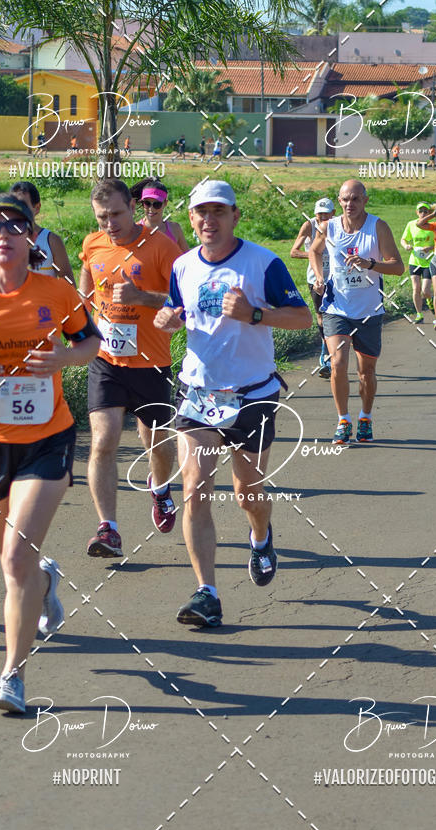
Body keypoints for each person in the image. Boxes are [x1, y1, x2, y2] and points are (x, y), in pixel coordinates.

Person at [0, 194, 100, 712]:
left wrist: (63, 357)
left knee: (13, 558)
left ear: (30, 238)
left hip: (47, 439)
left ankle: (13, 676)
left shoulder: (55, 291)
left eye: (16, 226)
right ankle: (46, 578)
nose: (4, 234)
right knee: (17, 565)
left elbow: (91, 343)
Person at [153, 180, 311, 627]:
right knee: (195, 487)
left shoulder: (263, 264)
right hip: (198, 394)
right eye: (201, 212)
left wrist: (255, 314)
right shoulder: (183, 265)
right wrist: (167, 319)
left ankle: (261, 537)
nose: (209, 220)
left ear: (235, 216)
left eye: (219, 212)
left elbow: (303, 318)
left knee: (248, 494)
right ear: (191, 219)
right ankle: (207, 593)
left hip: (252, 396)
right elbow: (175, 311)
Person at [79, 178, 182, 556]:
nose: (110, 224)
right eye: (103, 217)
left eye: (117, 214)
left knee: (155, 442)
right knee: (103, 441)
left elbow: (181, 304)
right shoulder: (92, 244)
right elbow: (87, 287)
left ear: (134, 207)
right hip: (107, 361)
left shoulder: (161, 247)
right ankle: (108, 529)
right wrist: (86, 318)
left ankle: (159, 487)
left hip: (151, 364)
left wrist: (142, 297)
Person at [309, 179, 404, 445]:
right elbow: (314, 252)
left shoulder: (378, 227)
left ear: (365, 200)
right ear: (338, 201)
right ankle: (343, 420)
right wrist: (319, 276)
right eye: (345, 199)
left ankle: (365, 416)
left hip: (369, 311)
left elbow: (398, 267)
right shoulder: (329, 227)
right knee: (338, 364)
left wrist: (370, 263)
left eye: (355, 199)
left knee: (366, 371)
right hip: (336, 308)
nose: (350, 204)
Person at [290, 196, 335, 378]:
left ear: (334, 213)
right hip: (315, 278)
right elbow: (293, 252)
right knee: (321, 316)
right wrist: (314, 254)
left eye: (326, 215)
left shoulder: (340, 224)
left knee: (336, 315)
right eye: (319, 215)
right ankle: (326, 356)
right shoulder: (308, 225)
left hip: (336, 277)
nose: (323, 219)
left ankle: (334, 354)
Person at [130, 177, 190, 253]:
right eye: (147, 203)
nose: (151, 209)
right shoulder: (135, 231)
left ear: (165, 203)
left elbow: (187, 257)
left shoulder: (175, 229)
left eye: (157, 204)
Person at [400, 201, 434, 323]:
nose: (423, 213)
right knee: (416, 288)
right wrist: (406, 246)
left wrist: (430, 248)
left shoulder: (433, 226)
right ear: (417, 212)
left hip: (429, 261)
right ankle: (419, 314)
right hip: (414, 261)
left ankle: (430, 301)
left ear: (429, 213)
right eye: (421, 211)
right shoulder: (411, 224)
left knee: (425, 290)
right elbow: (403, 239)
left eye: (426, 211)